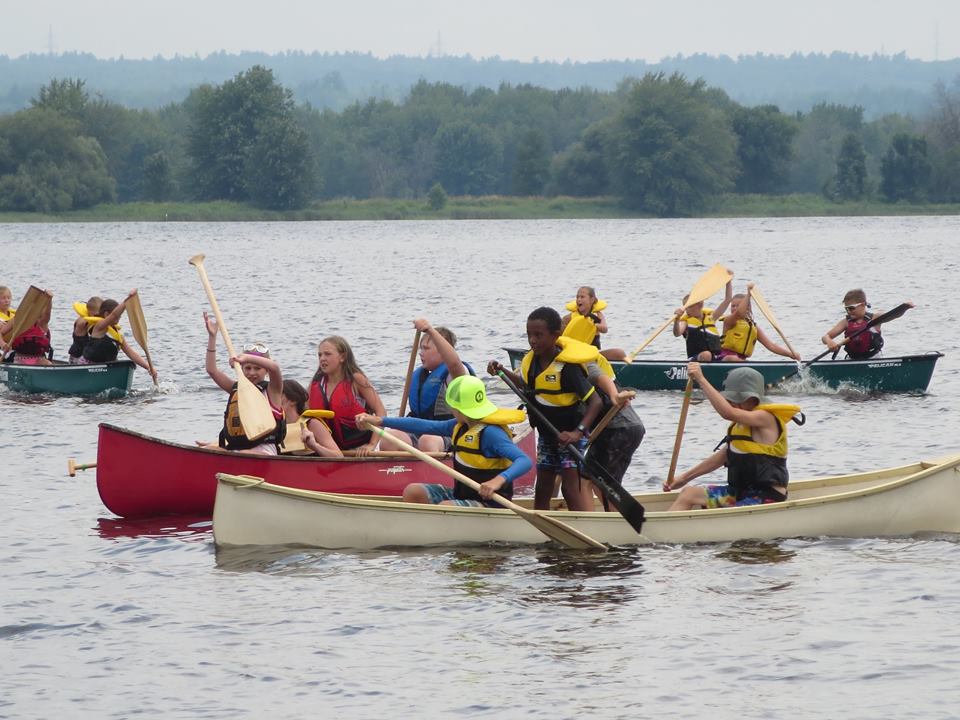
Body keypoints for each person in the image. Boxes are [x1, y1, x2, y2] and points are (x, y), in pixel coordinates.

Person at [488, 306, 603, 512]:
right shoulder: (531, 361)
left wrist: (577, 433)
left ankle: (582, 525)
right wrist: (502, 371)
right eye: (529, 335)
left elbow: (596, 402)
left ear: (555, 335)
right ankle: (541, 526)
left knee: (569, 487)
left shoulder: (567, 368)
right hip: (548, 433)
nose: (533, 340)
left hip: (572, 433)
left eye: (539, 335)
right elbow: (526, 385)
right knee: (542, 486)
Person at [357, 375, 532, 507]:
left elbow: (524, 461)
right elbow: (422, 425)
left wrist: (498, 481)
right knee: (413, 492)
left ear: (459, 407)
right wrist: (381, 421)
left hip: (490, 503)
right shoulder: (459, 425)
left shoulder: (491, 433)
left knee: (446, 508)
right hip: (462, 496)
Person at [664, 364, 803, 511]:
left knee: (724, 510)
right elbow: (722, 456)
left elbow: (728, 413)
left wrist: (701, 379)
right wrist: (683, 479)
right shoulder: (740, 426)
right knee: (689, 493)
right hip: (739, 493)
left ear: (752, 399)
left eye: (735, 399)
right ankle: (662, 530)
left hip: (767, 497)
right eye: (729, 400)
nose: (731, 403)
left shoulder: (765, 418)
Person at [387, 317, 474, 452]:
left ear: (443, 350)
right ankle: (399, 472)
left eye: (426, 348)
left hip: (450, 431)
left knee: (428, 440)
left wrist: (429, 330)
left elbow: (454, 363)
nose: (421, 353)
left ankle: (431, 472)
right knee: (391, 437)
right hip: (421, 429)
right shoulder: (420, 375)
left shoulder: (455, 373)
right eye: (421, 348)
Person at [204, 312, 285, 455]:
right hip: (238, 450)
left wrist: (247, 357)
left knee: (243, 454)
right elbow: (212, 370)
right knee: (206, 450)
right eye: (247, 368)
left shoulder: (273, 391)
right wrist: (212, 336)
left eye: (257, 368)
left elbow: (275, 368)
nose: (251, 373)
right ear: (241, 369)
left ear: (265, 370)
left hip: (264, 451)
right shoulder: (236, 389)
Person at [582, 358, 645, 510]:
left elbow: (602, 377)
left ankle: (591, 524)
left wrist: (613, 394)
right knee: (605, 483)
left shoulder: (581, 362)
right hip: (632, 428)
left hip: (616, 428)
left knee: (585, 479)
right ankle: (622, 518)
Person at [308, 335, 387, 456]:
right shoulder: (316, 384)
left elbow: (381, 413)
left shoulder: (357, 380)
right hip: (329, 450)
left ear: (342, 357)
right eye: (320, 355)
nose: (322, 358)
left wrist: (372, 444)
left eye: (327, 354)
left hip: (359, 448)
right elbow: (303, 415)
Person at [80, 289, 157, 380]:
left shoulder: (117, 335)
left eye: (120, 317)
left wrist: (148, 367)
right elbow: (114, 315)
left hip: (106, 369)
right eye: (118, 317)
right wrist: (127, 300)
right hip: (88, 368)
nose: (118, 319)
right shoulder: (99, 327)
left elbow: (131, 353)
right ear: (106, 314)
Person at [716, 283, 801, 362]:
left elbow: (771, 346)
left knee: (737, 359)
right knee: (732, 358)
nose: (734, 308)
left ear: (748, 307)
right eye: (733, 306)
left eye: (738, 306)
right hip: (725, 358)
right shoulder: (728, 321)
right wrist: (748, 294)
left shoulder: (754, 328)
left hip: (742, 361)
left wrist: (790, 354)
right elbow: (739, 314)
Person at [820, 289, 913, 360]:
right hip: (852, 359)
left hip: (873, 358)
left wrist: (905, 307)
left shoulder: (875, 318)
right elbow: (825, 337)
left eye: (851, 308)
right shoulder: (845, 322)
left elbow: (895, 315)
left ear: (863, 305)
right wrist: (829, 342)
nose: (849, 312)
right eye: (846, 309)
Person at [673, 277, 734, 361]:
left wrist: (728, 281)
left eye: (696, 304)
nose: (695, 307)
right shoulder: (685, 322)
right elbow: (677, 333)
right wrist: (676, 320)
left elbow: (728, 300)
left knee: (732, 358)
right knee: (706, 355)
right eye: (690, 306)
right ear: (686, 310)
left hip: (715, 357)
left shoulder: (711, 317)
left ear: (700, 304)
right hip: (696, 358)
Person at [279, 379, 342, 457]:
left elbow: (339, 456)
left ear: (293, 400)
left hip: (314, 468)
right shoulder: (275, 426)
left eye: (278, 394)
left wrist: (314, 446)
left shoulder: (312, 424)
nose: (273, 399)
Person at [561, 286, 626, 361]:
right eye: (577, 297)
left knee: (619, 353)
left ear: (592, 299)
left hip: (592, 355)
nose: (579, 299)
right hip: (575, 354)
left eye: (582, 297)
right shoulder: (569, 317)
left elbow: (604, 329)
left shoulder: (597, 315)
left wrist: (593, 324)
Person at [68, 296, 102, 364]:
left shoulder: (92, 321)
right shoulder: (82, 322)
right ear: (89, 312)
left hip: (85, 356)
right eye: (97, 315)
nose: (99, 317)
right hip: (77, 357)